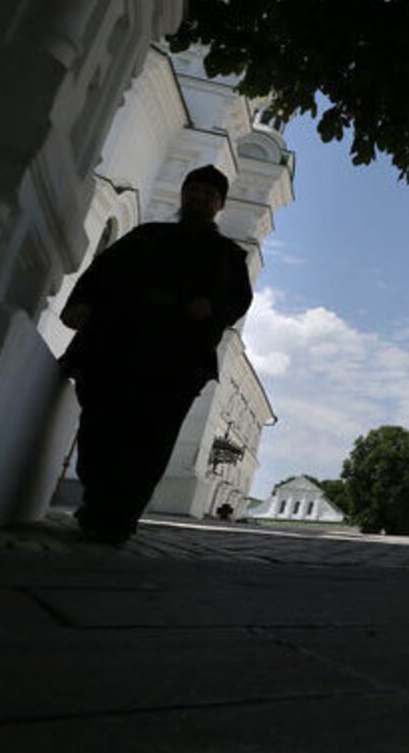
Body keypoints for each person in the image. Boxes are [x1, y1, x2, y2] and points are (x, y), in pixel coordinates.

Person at [59, 166, 253, 543]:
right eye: (193, 190)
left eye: (208, 194)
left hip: (175, 364)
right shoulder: (146, 235)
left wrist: (210, 307)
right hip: (114, 349)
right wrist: (80, 302)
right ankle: (98, 502)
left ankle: (120, 517)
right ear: (183, 195)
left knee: (152, 440)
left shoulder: (229, 256)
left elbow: (238, 300)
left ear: (220, 204)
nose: (198, 198)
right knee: (99, 429)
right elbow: (103, 271)